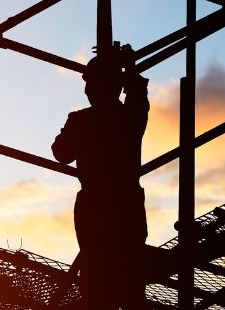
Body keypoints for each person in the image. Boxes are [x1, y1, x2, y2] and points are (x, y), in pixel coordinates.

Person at [52, 42, 149, 309]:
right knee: (128, 283)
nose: (87, 90)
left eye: (90, 83)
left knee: (100, 284)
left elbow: (60, 152)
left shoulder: (83, 121)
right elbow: (138, 96)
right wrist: (128, 67)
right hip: (125, 202)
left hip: (97, 204)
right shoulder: (129, 116)